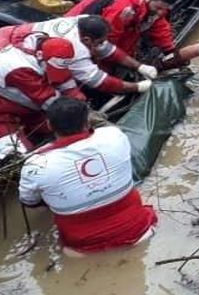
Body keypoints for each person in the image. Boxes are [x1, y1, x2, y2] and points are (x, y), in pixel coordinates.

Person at [19, 98, 159, 255]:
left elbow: (29, 202)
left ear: (49, 125)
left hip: (80, 247)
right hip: (138, 231)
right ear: (87, 120)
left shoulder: (35, 163)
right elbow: (103, 129)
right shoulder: (114, 136)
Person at [0, 33, 86, 163]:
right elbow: (53, 103)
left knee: (67, 128)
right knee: (19, 160)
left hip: (21, 109)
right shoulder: (19, 68)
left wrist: (76, 96)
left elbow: (62, 78)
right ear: (40, 56)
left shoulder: (48, 52)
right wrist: (81, 111)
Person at [0, 15, 156, 97]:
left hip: (3, 37)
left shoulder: (83, 22)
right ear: (87, 40)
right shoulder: (75, 51)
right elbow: (100, 82)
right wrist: (137, 87)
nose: (102, 45)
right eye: (98, 42)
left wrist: (139, 66)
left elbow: (107, 49)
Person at [66, 0, 179, 61]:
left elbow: (159, 24)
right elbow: (108, 38)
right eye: (158, 8)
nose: (160, 12)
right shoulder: (122, 6)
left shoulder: (152, 3)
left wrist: (169, 50)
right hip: (74, 35)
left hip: (103, 33)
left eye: (164, 9)